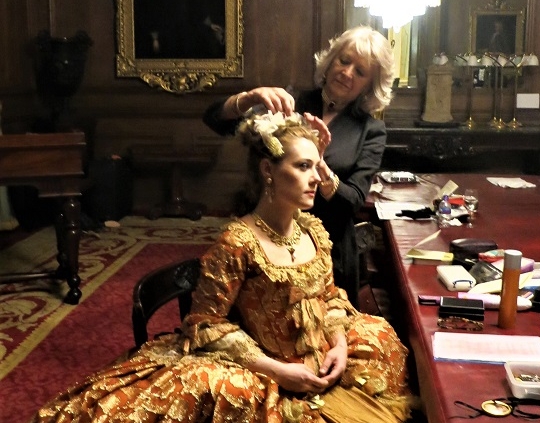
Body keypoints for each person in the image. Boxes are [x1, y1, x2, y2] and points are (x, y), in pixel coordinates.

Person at [31, 111, 415, 423]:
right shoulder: (238, 242)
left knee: (380, 339)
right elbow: (205, 323)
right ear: (268, 170)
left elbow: (329, 297)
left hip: (319, 362)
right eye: (303, 166)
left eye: (318, 166)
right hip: (266, 371)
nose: (318, 178)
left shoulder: (312, 229)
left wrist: (342, 346)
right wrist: (278, 371)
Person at [203, 25, 395, 308]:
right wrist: (249, 97)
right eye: (344, 60)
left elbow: (352, 201)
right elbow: (216, 121)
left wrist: (321, 166)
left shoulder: (371, 130)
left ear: (369, 85)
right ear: (330, 62)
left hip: (329, 251)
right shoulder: (290, 103)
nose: (347, 72)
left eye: (360, 71)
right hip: (265, 236)